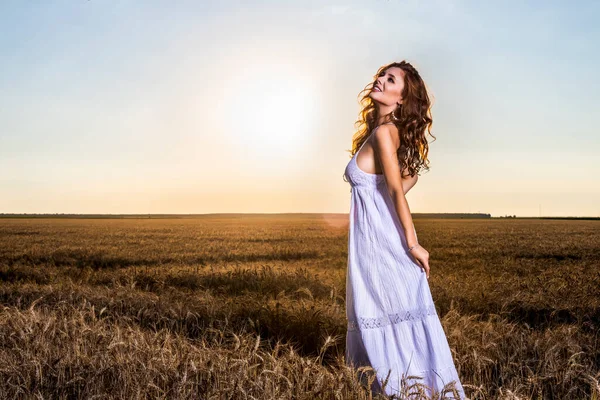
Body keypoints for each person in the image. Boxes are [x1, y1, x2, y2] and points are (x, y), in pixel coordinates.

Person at [343, 61, 466, 399]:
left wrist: (413, 245)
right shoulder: (384, 132)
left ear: (401, 98)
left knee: (385, 321)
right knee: (385, 321)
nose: (381, 80)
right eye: (382, 75)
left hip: (383, 247)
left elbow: (397, 192)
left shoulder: (385, 133)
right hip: (375, 242)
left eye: (391, 79)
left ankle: (406, 391)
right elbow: (390, 190)